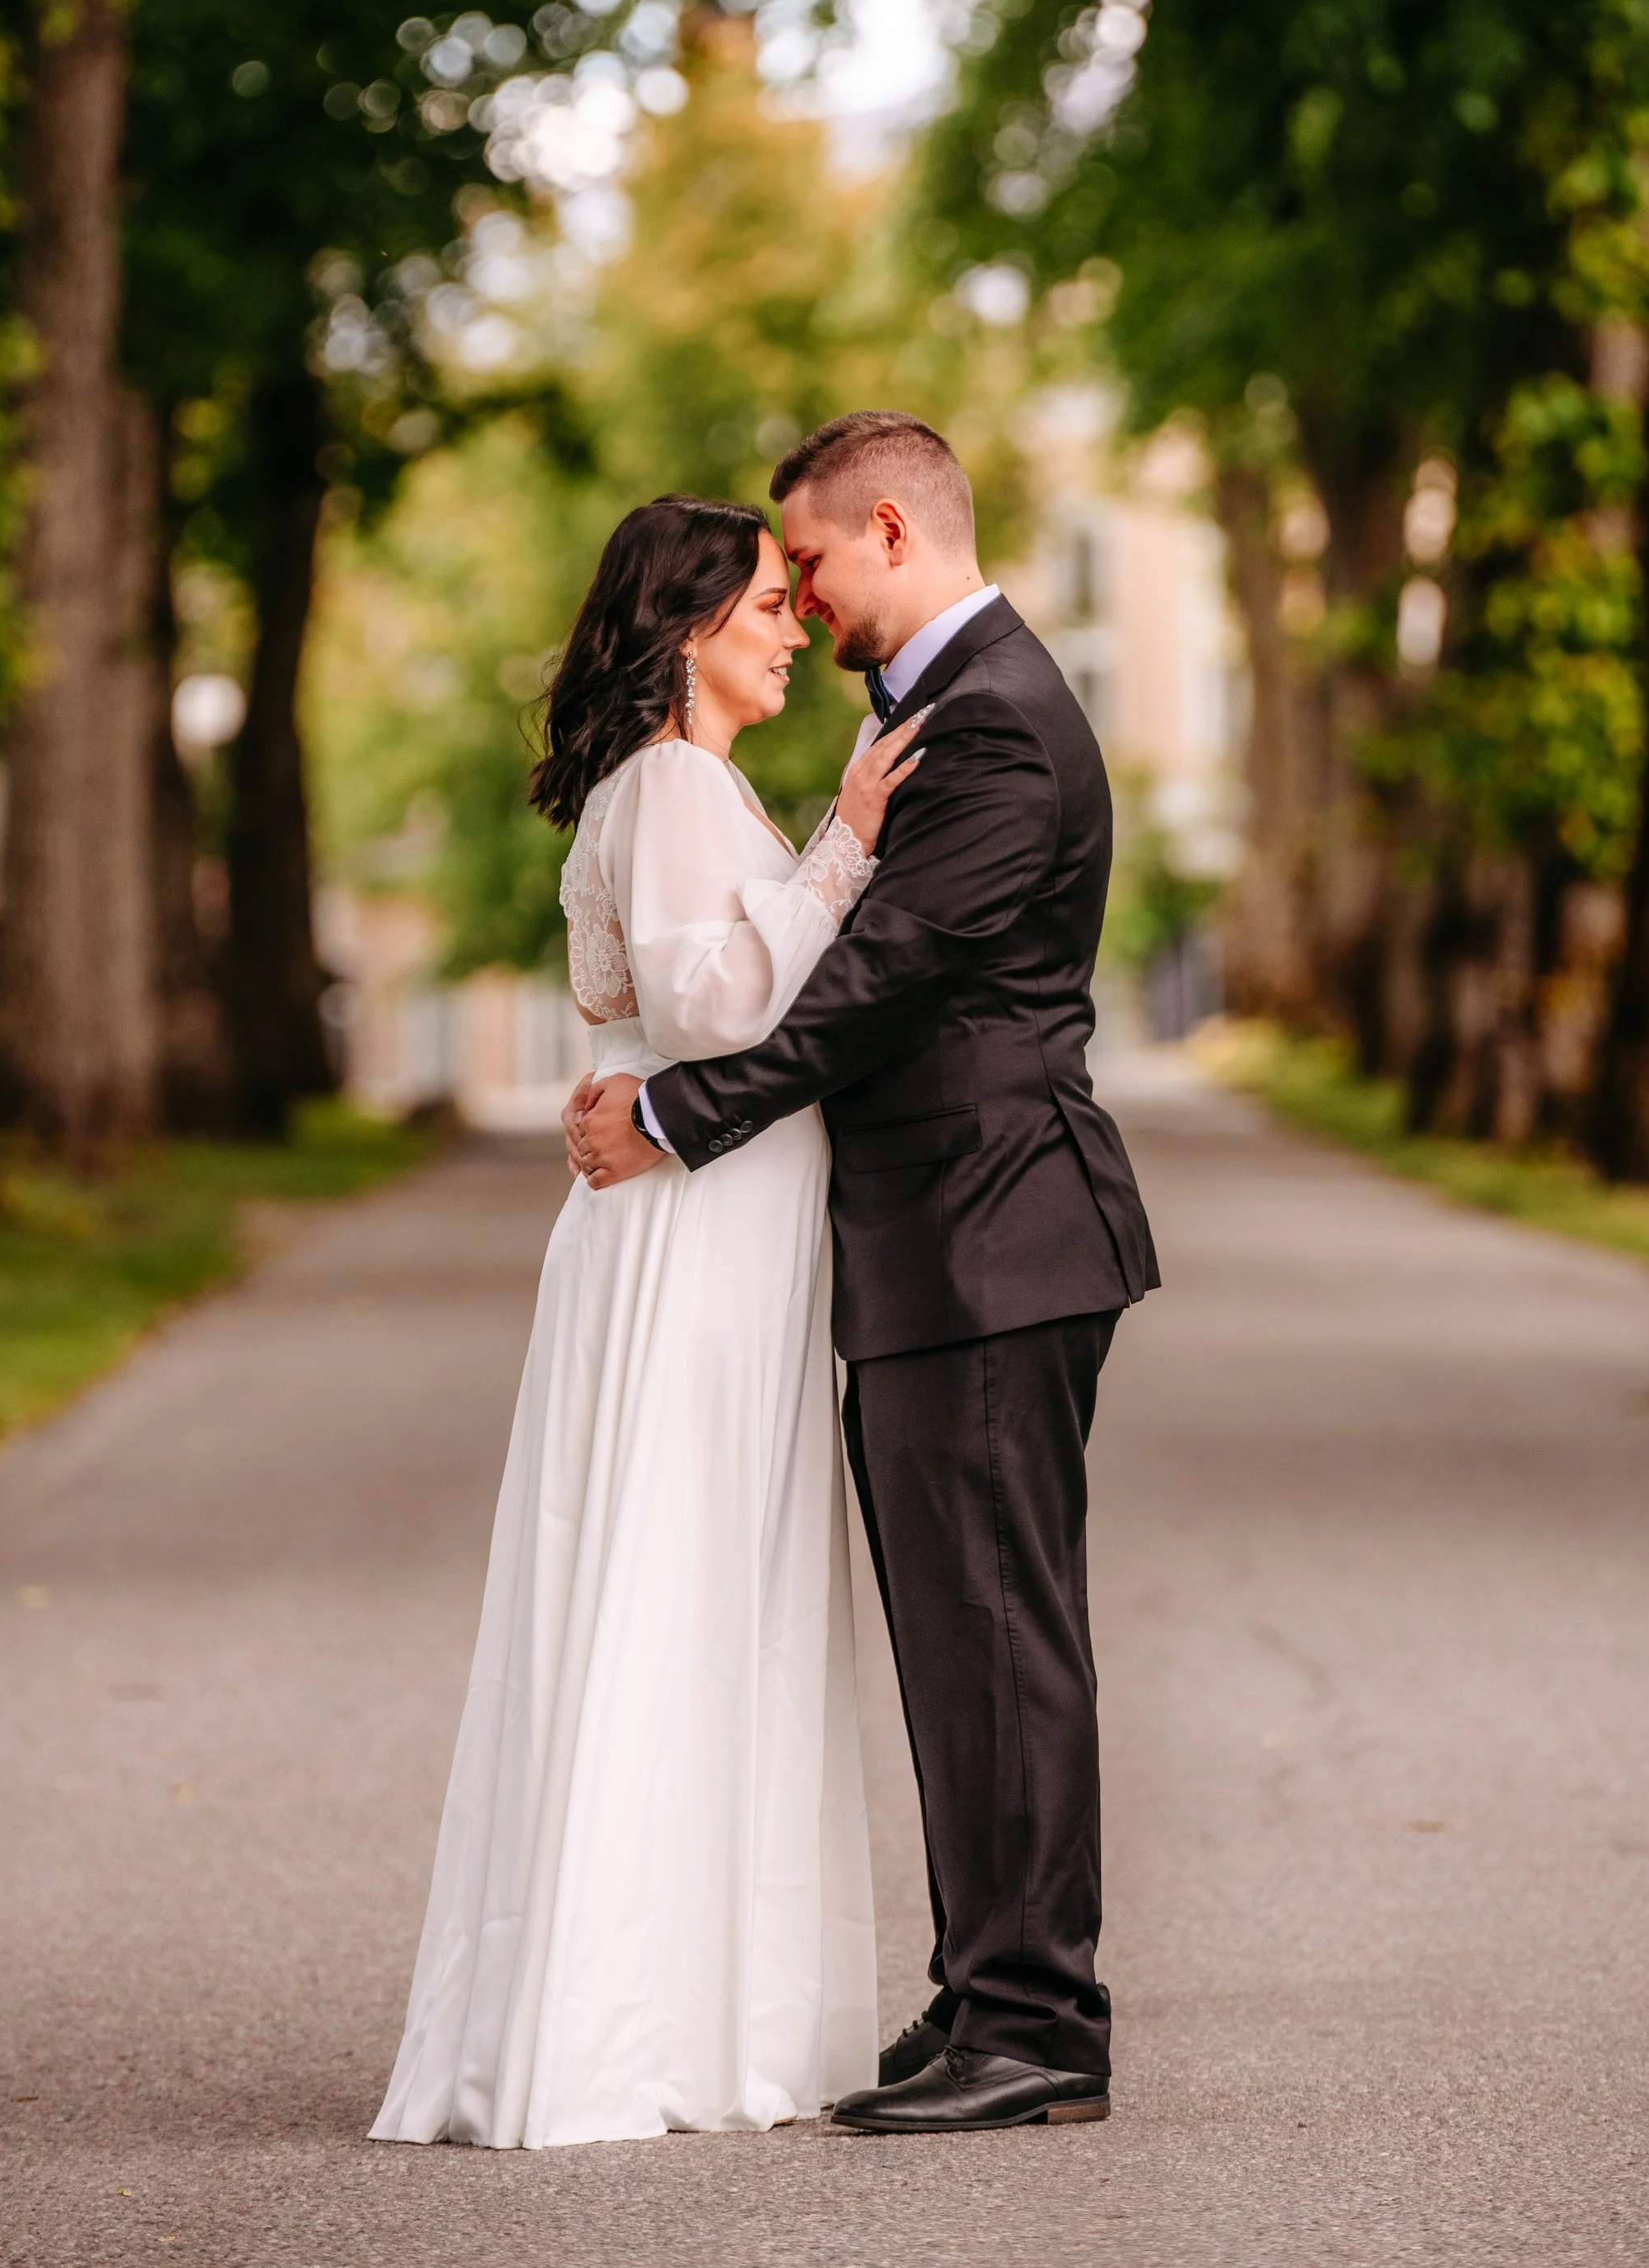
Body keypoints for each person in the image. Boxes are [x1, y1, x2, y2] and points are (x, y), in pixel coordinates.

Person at [568, 412, 1157, 2137]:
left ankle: (1037, 2021)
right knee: (956, 1638)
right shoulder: (939, 714)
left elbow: (873, 986)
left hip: (992, 1232)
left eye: (809, 563)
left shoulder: (996, 728)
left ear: (890, 532)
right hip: (939, 1243)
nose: (802, 603)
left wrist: (674, 1112)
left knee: (991, 1630)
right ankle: (985, 1991)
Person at [371, 494, 925, 2151]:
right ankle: (640, 2024)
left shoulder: (673, 783)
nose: (791, 626)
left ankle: (657, 2000)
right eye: (765, 601)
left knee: (671, 1580)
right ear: (686, 625)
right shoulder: (679, 784)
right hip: (692, 1239)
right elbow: (704, 1007)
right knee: (680, 1582)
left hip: (699, 1229)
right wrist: (844, 844)